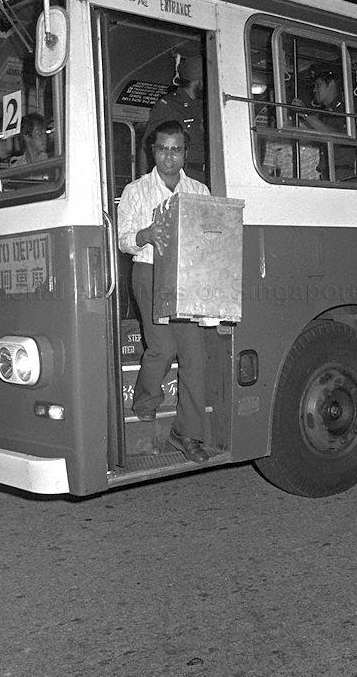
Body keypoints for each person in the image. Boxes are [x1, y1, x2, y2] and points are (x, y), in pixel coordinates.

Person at [118, 120, 210, 463]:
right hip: (149, 272)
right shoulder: (136, 191)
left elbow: (210, 236)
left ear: (185, 153)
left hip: (187, 277)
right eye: (162, 149)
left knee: (194, 355)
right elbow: (123, 240)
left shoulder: (199, 191)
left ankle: (187, 434)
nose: (169, 157)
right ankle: (145, 400)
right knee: (162, 346)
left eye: (176, 150)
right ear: (152, 152)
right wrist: (146, 234)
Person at [140, 54, 206, 182]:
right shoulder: (169, 105)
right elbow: (146, 146)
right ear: (198, 82)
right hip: (183, 177)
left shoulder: (202, 106)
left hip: (206, 177)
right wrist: (145, 183)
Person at [292, 66, 354, 181]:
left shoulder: (347, 111)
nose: (314, 90)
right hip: (325, 174)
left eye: (318, 85)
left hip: (342, 176)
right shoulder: (322, 114)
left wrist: (306, 115)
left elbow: (337, 136)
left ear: (331, 85)